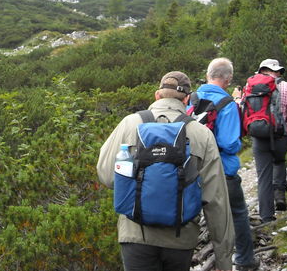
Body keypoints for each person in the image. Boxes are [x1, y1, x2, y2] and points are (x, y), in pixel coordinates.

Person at [97, 71, 234, 271]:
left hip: (136, 236)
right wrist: (223, 259)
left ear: (157, 95)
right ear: (187, 99)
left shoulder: (130, 124)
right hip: (180, 238)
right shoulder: (201, 134)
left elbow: (107, 176)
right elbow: (216, 200)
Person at [194, 58, 259, 270]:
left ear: (207, 75)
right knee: (238, 214)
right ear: (228, 79)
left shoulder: (191, 99)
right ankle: (244, 260)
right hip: (223, 170)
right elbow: (229, 144)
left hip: (192, 169)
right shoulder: (228, 104)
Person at [250, 59, 287, 223]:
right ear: (278, 72)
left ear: (261, 71)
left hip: (259, 135)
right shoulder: (286, 86)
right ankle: (279, 194)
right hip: (281, 134)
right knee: (279, 161)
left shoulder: (252, 86)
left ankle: (266, 217)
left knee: (263, 176)